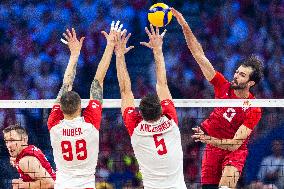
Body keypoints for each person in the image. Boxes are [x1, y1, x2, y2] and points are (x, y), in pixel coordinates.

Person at [171, 8, 263, 189]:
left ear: (251, 83)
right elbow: (199, 55)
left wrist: (207, 139)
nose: (236, 76)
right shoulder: (223, 85)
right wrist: (184, 24)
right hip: (212, 150)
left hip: (234, 151)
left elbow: (235, 143)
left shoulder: (254, 108)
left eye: (242, 75)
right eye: (237, 72)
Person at [47, 22, 122, 188]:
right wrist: (110, 45)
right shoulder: (89, 124)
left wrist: (74, 54)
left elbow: (66, 85)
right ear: (80, 107)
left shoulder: (53, 124)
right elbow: (98, 82)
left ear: (60, 108)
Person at [114, 24, 186, 189]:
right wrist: (158, 50)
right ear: (162, 110)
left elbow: (125, 91)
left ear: (140, 113)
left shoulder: (136, 128)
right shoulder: (171, 121)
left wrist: (119, 56)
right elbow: (162, 84)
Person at [3, 124, 55, 189]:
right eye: (6, 141)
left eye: (12, 140)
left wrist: (22, 185)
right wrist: (16, 161)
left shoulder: (25, 161)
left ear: (24, 140)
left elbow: (50, 184)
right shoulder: (30, 150)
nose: (8, 145)